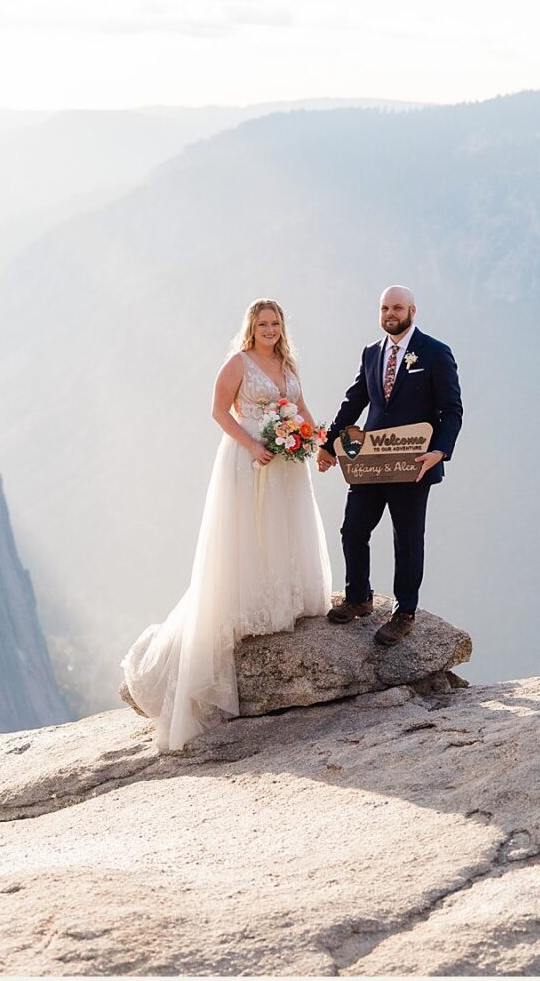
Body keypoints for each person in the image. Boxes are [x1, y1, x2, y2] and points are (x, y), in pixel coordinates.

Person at [121, 299, 333, 751]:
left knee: (283, 530)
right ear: (251, 328)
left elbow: (302, 407)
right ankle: (244, 603)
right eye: (263, 324)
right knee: (248, 532)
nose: (270, 330)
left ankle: (285, 595)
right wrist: (254, 444)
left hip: (286, 464)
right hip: (249, 460)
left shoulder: (286, 363)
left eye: (276, 323)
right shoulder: (238, 363)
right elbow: (219, 412)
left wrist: (319, 444)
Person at [316, 285, 462, 646]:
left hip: (414, 464)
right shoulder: (371, 353)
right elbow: (354, 402)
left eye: (397, 308)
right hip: (369, 461)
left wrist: (439, 452)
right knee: (353, 529)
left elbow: (452, 411)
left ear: (412, 310)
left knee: (407, 539)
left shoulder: (435, 353)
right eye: (384, 309)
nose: (390, 314)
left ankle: (404, 612)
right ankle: (358, 598)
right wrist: (329, 445)